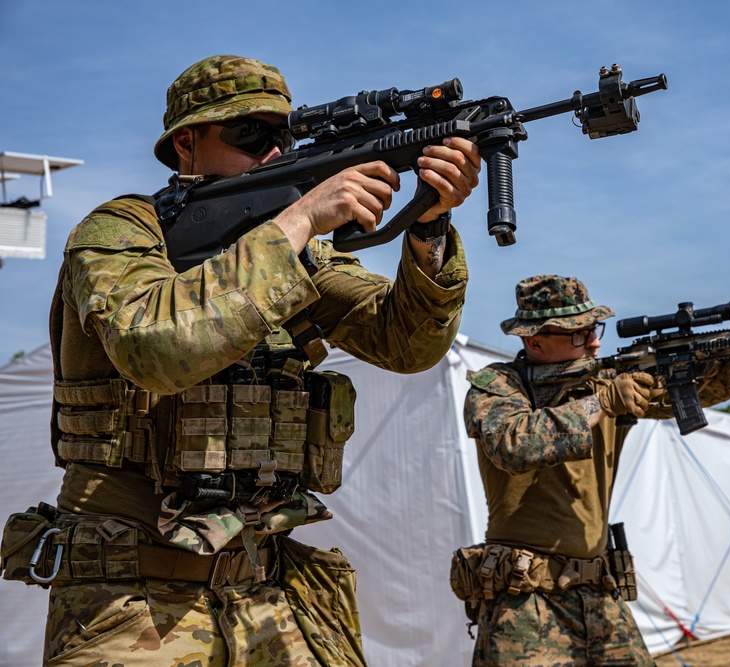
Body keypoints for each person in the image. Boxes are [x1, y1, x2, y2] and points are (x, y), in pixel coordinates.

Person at [1, 55, 480, 666]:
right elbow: (153, 347)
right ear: (186, 144)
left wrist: (427, 227)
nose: (274, 153)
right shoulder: (122, 231)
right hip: (128, 602)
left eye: (283, 136)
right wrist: (299, 222)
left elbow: (405, 343)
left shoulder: (292, 254)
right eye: (249, 136)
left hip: (265, 593)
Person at [454, 275, 730, 666]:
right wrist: (600, 404)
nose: (594, 342)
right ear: (534, 341)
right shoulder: (498, 385)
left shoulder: (606, 380)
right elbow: (511, 444)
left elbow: (693, 390)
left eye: (594, 329)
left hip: (599, 590)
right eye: (578, 335)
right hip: (525, 599)